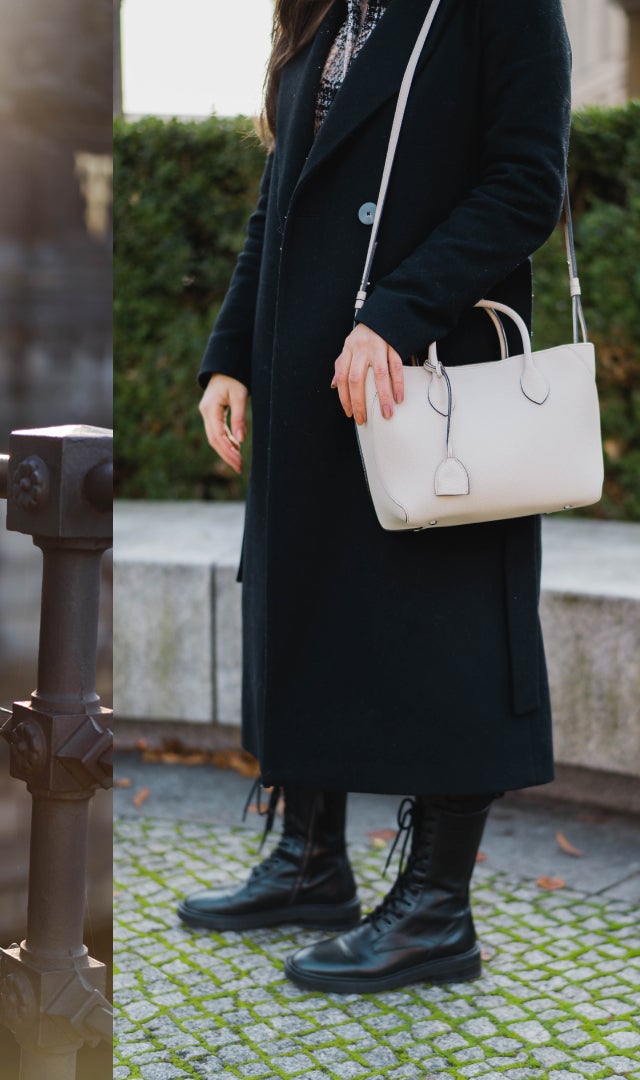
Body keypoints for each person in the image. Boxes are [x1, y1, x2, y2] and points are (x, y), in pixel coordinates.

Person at [183, 0, 571, 994]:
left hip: (427, 370)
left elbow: (527, 183)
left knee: (448, 626)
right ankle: (312, 863)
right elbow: (283, 197)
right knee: (307, 595)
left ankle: (438, 911)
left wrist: (400, 310)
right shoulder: (327, 12)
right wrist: (229, 355)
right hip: (314, 368)